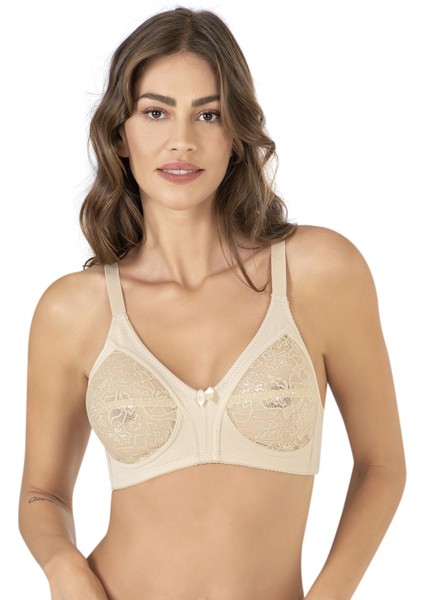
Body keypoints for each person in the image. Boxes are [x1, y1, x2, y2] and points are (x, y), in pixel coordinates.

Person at [18, 7, 406, 600]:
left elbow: (381, 465)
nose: (182, 140)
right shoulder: (73, 311)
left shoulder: (320, 273)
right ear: (120, 133)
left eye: (209, 113)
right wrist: (65, 570)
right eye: (155, 112)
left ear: (237, 133)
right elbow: (41, 494)